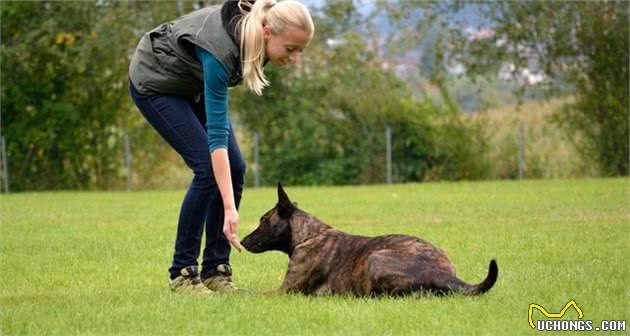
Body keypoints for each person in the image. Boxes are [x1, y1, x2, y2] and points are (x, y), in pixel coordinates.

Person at [128, 0, 314, 293]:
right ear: (267, 32)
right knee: (205, 167)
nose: (294, 59)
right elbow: (216, 139)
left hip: (191, 83)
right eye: (291, 49)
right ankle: (182, 274)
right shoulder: (220, 52)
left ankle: (215, 270)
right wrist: (230, 208)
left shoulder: (258, 24)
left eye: (300, 50)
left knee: (236, 167)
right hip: (156, 82)